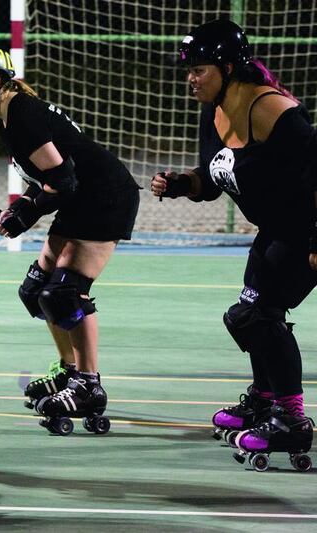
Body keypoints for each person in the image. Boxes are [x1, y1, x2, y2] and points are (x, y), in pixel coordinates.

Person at [0, 44, 140, 435]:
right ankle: (69, 371)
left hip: (105, 197)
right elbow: (58, 181)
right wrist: (23, 210)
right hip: (83, 197)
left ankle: (88, 385)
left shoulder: (21, 113)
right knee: (36, 290)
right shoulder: (11, 113)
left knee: (65, 294)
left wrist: (27, 211)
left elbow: (64, 180)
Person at [151, 19, 316, 464]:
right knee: (248, 317)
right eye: (188, 69)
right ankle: (266, 401)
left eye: (198, 69)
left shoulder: (272, 110)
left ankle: (292, 421)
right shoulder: (217, 111)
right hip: (277, 229)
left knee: (258, 316)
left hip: (305, 229)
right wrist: (181, 184)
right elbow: (214, 178)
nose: (190, 78)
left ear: (228, 67)